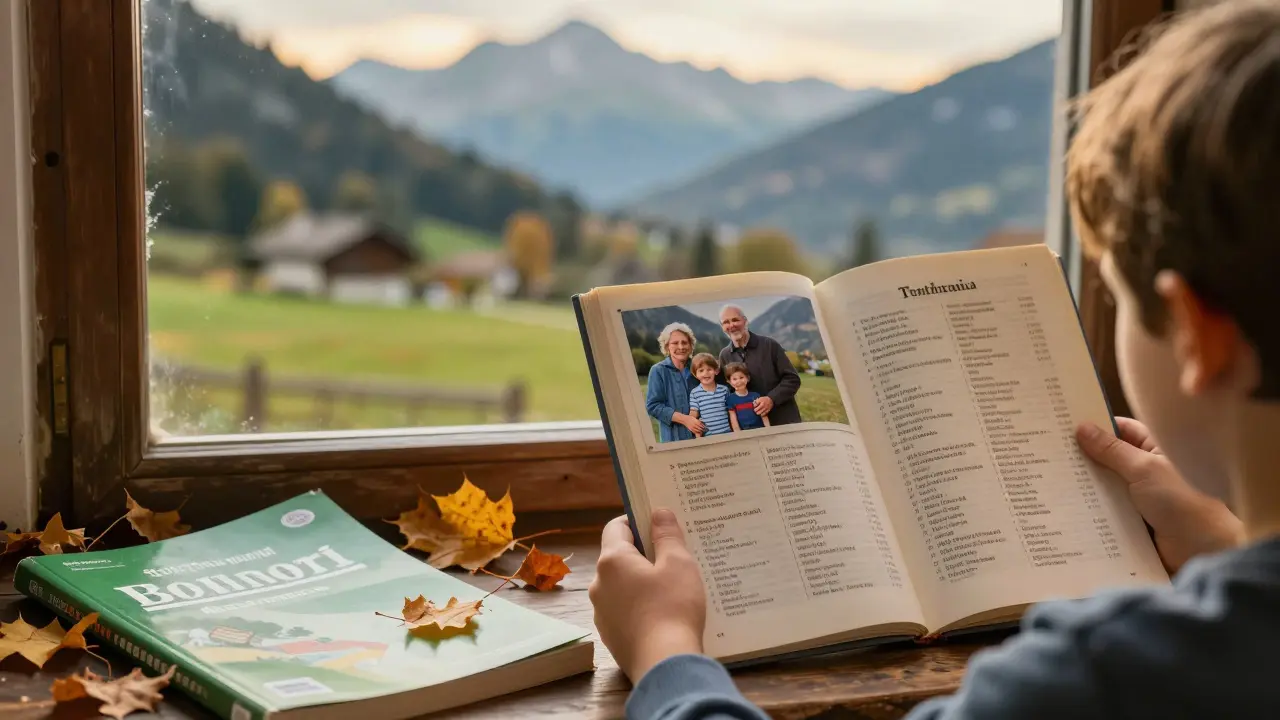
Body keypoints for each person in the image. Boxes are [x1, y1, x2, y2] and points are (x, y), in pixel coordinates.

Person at [588, 2, 1279, 717]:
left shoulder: (1101, 678)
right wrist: (1224, 547)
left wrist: (666, 649)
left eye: (1121, 298)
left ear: (1199, 337)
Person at [716, 305, 803, 425]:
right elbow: (727, 390)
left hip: (783, 420)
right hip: (752, 428)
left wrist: (771, 399)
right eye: (726, 322)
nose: (731, 325)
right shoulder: (724, 355)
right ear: (722, 327)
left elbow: (792, 379)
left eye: (735, 320)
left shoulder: (769, 345)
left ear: (745, 321)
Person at [644, 322, 705, 443]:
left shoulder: (699, 368)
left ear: (691, 345)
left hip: (703, 436)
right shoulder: (658, 371)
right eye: (675, 343)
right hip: (673, 439)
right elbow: (653, 406)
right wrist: (686, 420)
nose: (681, 347)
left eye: (684, 342)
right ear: (667, 347)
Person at [688, 353, 733, 438]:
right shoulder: (695, 393)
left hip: (727, 434)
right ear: (695, 374)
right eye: (701, 370)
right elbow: (694, 412)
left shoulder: (724, 390)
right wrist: (692, 421)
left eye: (709, 369)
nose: (706, 373)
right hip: (709, 437)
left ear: (716, 371)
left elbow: (730, 411)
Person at [723, 361, 769, 432]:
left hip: (760, 430)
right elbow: (733, 418)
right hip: (744, 433)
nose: (739, 381)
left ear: (747, 378)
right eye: (734, 379)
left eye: (741, 377)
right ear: (729, 382)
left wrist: (768, 429)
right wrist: (738, 433)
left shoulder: (756, 396)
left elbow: (763, 414)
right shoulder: (730, 399)